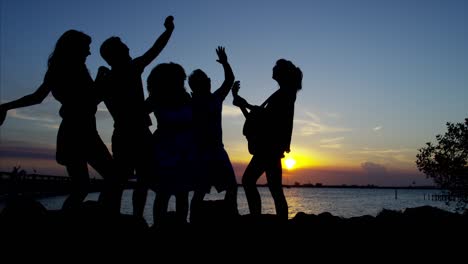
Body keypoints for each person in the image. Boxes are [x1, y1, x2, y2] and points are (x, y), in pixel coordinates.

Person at [0, 30, 119, 212]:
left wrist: (6, 106)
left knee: (82, 187)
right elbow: (88, 99)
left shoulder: (58, 69)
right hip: (81, 132)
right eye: (86, 48)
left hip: (73, 131)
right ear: (75, 48)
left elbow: (37, 97)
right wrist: (102, 82)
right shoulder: (73, 70)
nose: (89, 53)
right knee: (110, 179)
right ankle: (103, 218)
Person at [98, 16, 174, 217]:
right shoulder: (130, 69)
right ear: (116, 54)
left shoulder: (107, 80)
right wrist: (168, 30)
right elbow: (155, 49)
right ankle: (136, 218)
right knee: (140, 181)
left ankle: (119, 218)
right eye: (124, 47)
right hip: (136, 134)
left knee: (124, 182)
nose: (129, 49)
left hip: (124, 133)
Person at [232, 59, 302, 220]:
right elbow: (258, 121)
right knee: (274, 189)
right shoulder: (284, 93)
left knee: (249, 181)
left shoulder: (285, 94)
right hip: (272, 147)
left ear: (282, 73)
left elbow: (266, 118)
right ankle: (277, 220)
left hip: (269, 148)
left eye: (276, 67)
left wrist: (245, 104)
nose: (272, 69)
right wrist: (242, 104)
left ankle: (256, 217)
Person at [188, 47, 238, 222]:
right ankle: (194, 219)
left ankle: (230, 216)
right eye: (206, 80)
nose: (209, 82)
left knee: (230, 186)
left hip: (216, 151)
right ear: (198, 86)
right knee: (201, 190)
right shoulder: (192, 103)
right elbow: (229, 80)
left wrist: (225, 62)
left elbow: (229, 79)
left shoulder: (213, 98)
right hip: (202, 153)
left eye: (208, 79)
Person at [146, 62, 196, 226]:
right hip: (165, 148)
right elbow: (138, 112)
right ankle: (159, 225)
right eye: (180, 78)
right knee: (164, 192)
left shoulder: (186, 97)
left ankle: (180, 223)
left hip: (184, 148)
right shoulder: (156, 98)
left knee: (181, 192)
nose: (183, 81)